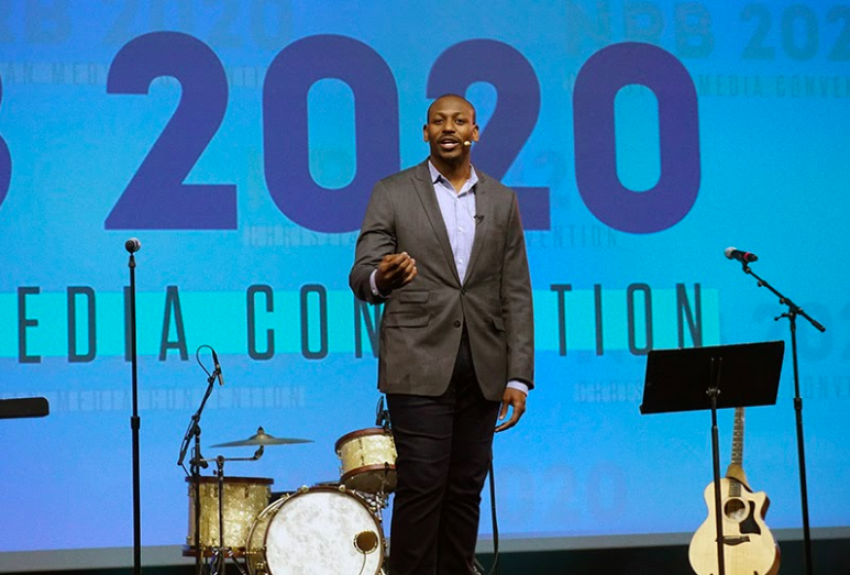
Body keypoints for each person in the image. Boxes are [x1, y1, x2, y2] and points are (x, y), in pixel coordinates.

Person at [349, 94, 534, 575]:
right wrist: (380, 279)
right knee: (424, 485)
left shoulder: (502, 199)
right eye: (438, 121)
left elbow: (515, 290)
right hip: (417, 362)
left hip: (484, 367)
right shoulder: (392, 192)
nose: (448, 127)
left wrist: (519, 376)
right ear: (425, 132)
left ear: (475, 132)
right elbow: (362, 271)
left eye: (460, 121)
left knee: (466, 487)